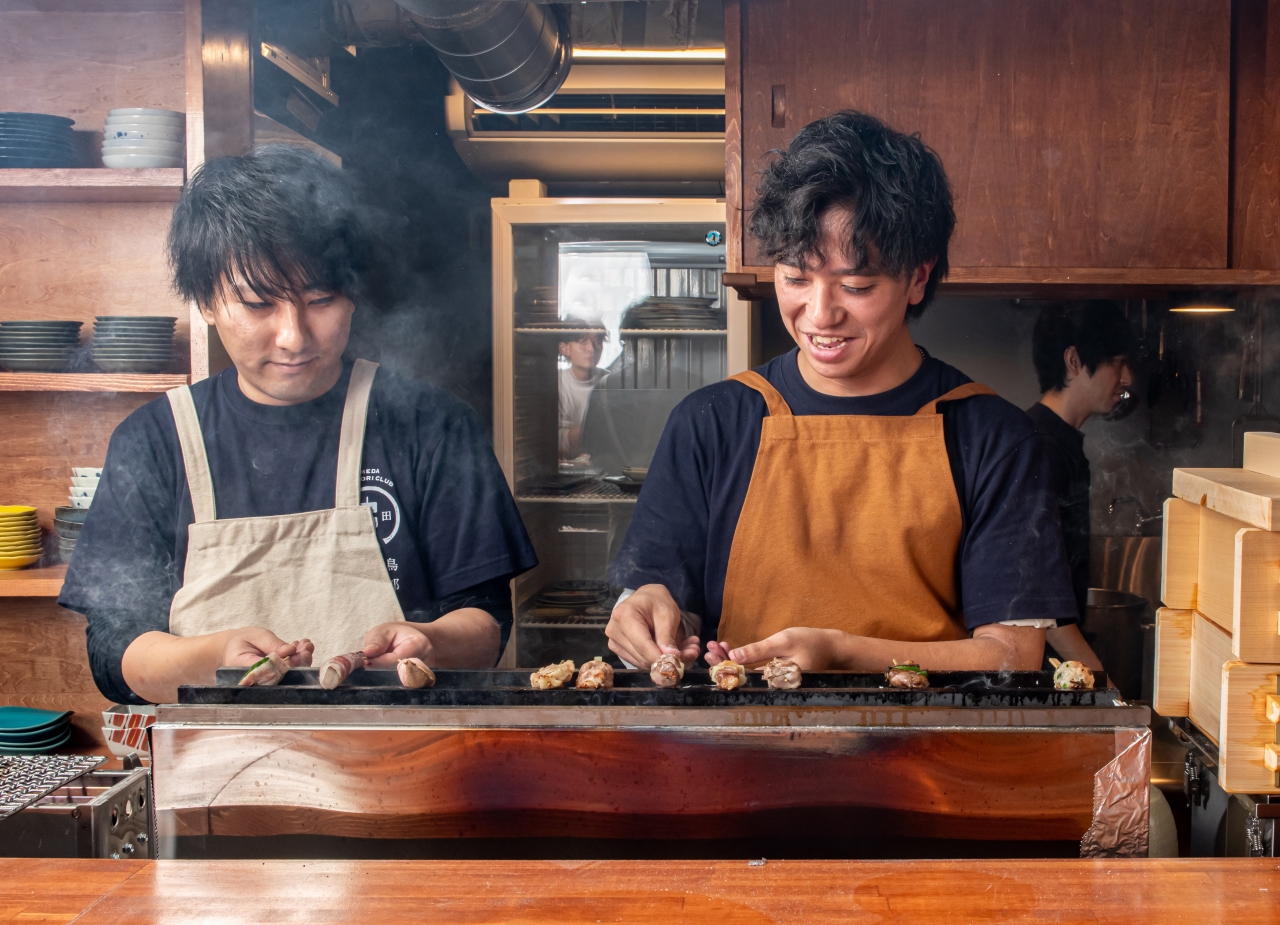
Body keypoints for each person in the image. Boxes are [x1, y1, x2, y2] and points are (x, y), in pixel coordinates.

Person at [60, 145, 537, 704]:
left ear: (353, 295)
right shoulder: (155, 442)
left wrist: (429, 641)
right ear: (207, 303)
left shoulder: (429, 425)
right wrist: (211, 658)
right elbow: (114, 651)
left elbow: (485, 619)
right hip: (216, 778)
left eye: (320, 299)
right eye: (259, 304)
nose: (294, 336)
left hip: (398, 763)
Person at [604, 111, 1076, 672]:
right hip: (739, 753)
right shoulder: (711, 422)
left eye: (856, 285)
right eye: (796, 277)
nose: (820, 313)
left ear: (918, 278)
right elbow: (663, 612)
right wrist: (648, 614)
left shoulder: (993, 437)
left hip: (932, 753)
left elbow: (1012, 655)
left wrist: (840, 652)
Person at [1027, 302, 1136, 669]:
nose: (1127, 378)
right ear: (1074, 361)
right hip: (1038, 668)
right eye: (1117, 362)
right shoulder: (1039, 448)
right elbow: (1040, 601)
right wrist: (1100, 680)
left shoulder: (1058, 442)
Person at [558, 328, 606, 459]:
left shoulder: (610, 381)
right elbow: (551, 441)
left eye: (597, 342)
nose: (591, 349)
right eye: (583, 342)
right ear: (564, 349)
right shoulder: (556, 384)